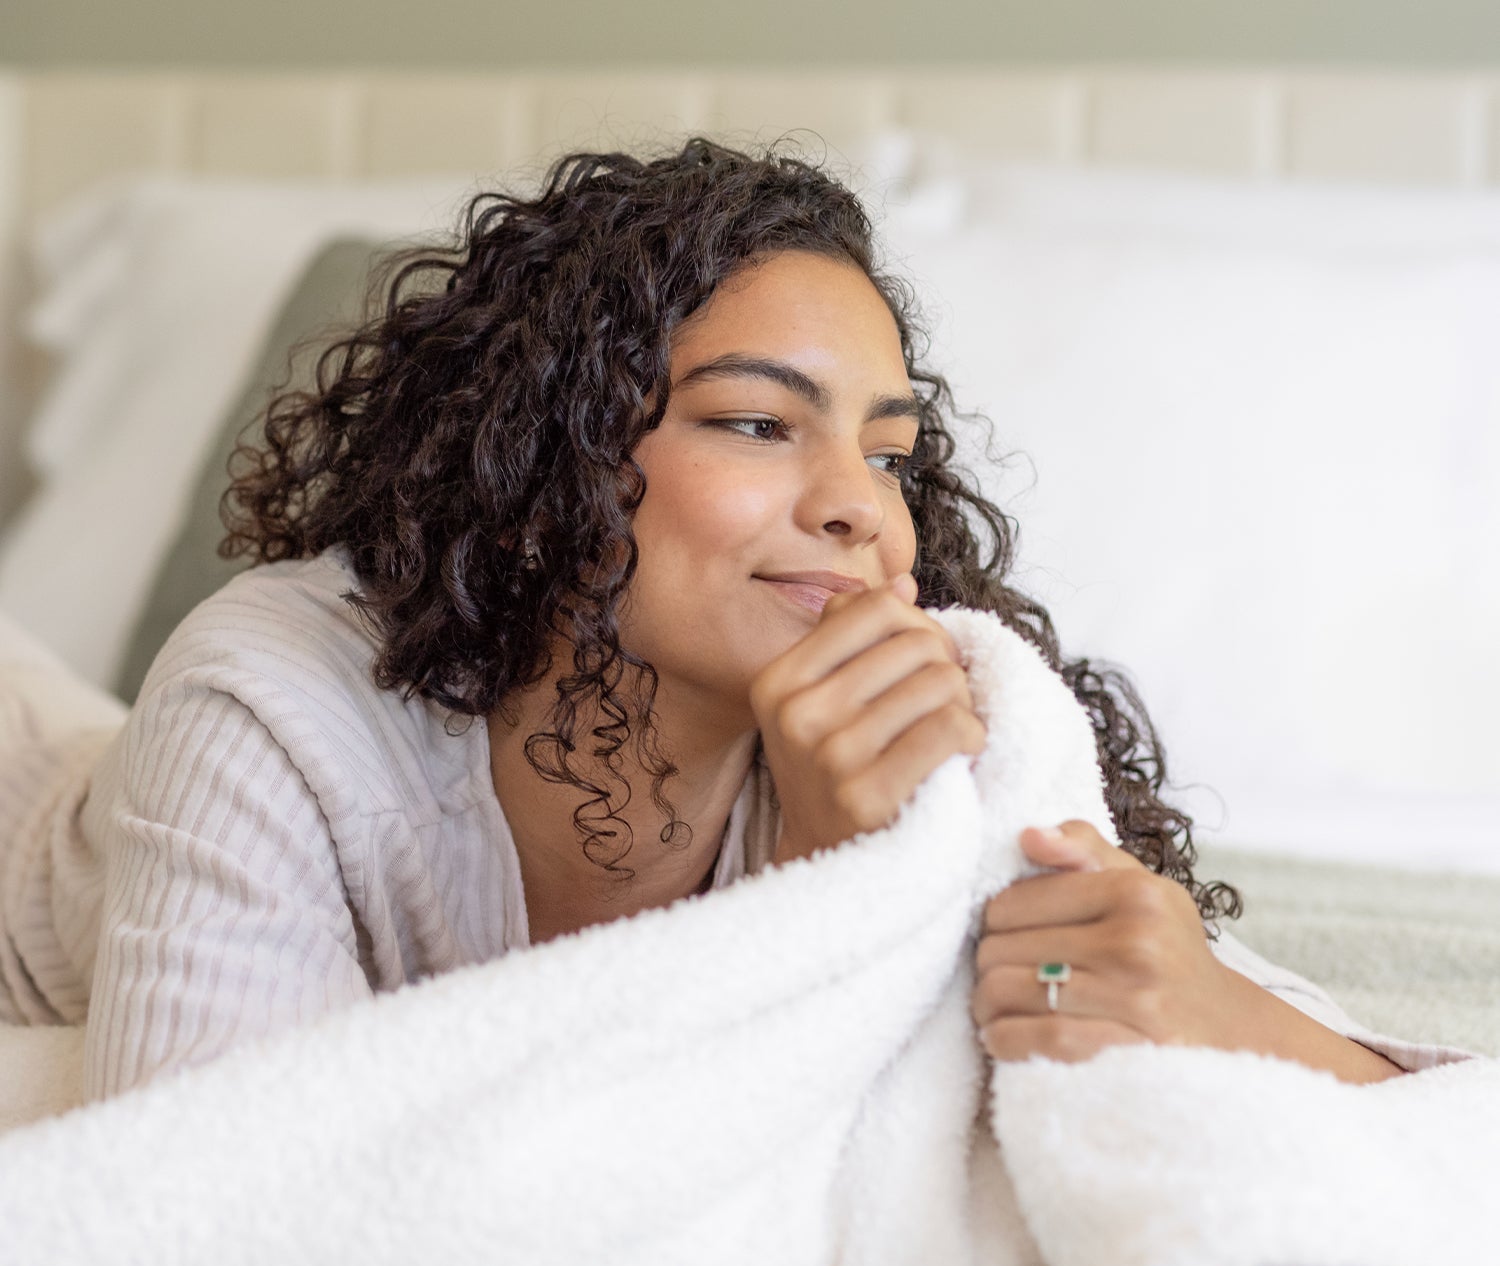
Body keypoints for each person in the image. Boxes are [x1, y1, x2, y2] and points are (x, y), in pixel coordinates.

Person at [0, 140, 1457, 1102]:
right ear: (543, 452)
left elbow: (1135, 997)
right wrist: (819, 900)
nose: (858, 510)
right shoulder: (273, 701)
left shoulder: (922, 712)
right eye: (760, 423)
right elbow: (214, 1204)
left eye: (888, 454)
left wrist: (1202, 1007)